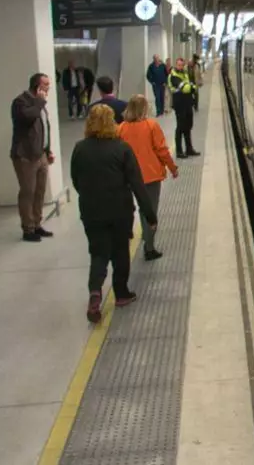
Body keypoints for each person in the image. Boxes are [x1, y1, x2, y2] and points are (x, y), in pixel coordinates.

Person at [71, 104, 156, 323]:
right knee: (120, 252)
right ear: (112, 123)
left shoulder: (80, 149)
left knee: (98, 253)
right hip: (119, 211)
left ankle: (95, 292)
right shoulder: (122, 148)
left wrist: (90, 196)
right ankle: (122, 294)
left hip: (91, 211)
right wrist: (150, 215)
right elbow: (137, 184)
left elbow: (76, 180)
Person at [119, 94, 178, 261]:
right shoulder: (151, 125)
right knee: (150, 210)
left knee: (139, 207)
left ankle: (142, 236)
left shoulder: (121, 128)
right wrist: (172, 168)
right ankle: (149, 246)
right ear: (144, 108)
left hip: (129, 176)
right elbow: (162, 150)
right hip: (150, 175)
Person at [11, 73, 56, 242]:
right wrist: (39, 102)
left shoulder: (39, 104)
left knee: (40, 191)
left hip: (41, 153)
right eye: (46, 85)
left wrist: (48, 149)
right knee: (28, 192)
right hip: (26, 155)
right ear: (37, 86)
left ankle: (37, 223)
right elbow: (27, 118)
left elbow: (44, 127)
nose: (48, 88)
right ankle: (28, 228)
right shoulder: (21, 102)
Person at [168, 57, 200, 158]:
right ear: (176, 65)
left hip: (187, 103)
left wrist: (192, 87)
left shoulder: (184, 73)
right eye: (179, 65)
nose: (180, 67)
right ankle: (179, 151)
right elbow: (186, 88)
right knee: (180, 127)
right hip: (179, 104)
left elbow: (192, 85)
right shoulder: (173, 75)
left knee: (188, 126)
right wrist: (192, 87)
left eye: (182, 65)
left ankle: (189, 149)